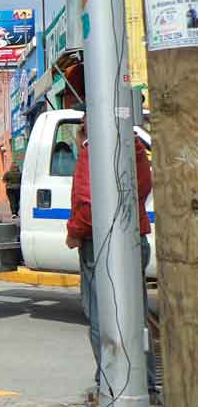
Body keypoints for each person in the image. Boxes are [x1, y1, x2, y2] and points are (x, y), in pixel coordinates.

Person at [64, 107, 154, 390]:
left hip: (99, 245)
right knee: (134, 314)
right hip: (133, 238)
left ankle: (110, 383)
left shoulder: (94, 150)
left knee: (101, 316)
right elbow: (142, 188)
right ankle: (144, 383)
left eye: (84, 117)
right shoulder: (133, 146)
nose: (80, 122)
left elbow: (90, 207)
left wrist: (74, 233)